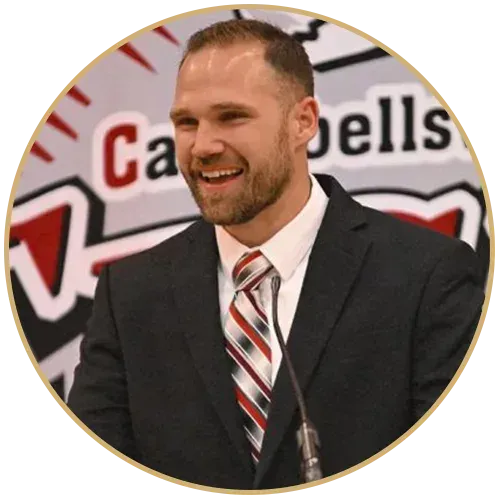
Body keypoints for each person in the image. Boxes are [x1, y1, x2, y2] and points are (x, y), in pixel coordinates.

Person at [68, 19, 485, 490]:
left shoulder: (426, 274)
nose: (203, 146)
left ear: (302, 122)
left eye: (231, 117)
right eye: (187, 123)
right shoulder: (131, 292)